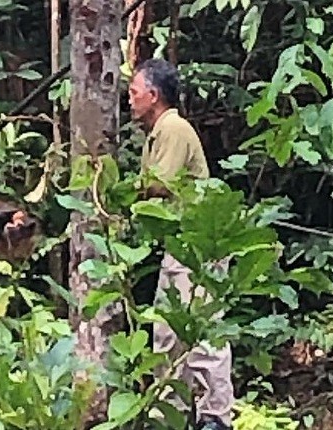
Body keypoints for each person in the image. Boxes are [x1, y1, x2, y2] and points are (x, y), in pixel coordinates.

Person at [127, 58, 234, 430]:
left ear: (153, 96)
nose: (130, 100)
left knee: (200, 329)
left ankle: (214, 416)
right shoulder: (158, 131)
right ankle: (170, 414)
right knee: (170, 331)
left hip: (198, 243)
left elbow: (160, 185)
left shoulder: (172, 127)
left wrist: (120, 193)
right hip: (184, 243)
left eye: (134, 92)